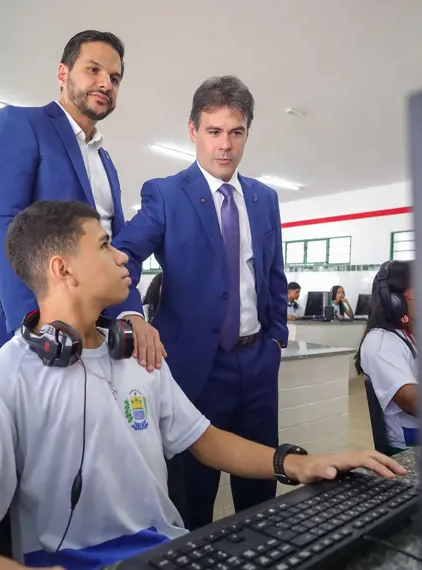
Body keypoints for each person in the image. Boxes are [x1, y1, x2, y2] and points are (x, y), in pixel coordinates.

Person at [0, 201, 406, 570]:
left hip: (169, 551)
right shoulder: (2, 380)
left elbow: (205, 440)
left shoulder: (137, 354)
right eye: (104, 246)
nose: (124, 258)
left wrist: (298, 463)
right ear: (62, 269)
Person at [109, 76, 288, 530]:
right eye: (213, 131)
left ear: (247, 132)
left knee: (260, 492)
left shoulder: (265, 199)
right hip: (193, 369)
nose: (224, 145)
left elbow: (272, 275)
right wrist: (132, 314)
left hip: (257, 365)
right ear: (193, 130)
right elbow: (121, 255)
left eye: (236, 132)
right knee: (193, 498)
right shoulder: (166, 194)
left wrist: (276, 340)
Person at [0, 29, 163, 369]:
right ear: (63, 73)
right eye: (93, 70)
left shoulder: (105, 162)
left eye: (115, 78)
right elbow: (1, 226)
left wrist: (131, 310)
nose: (106, 83)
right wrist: (35, 322)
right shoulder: (20, 124)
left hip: (103, 338)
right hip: (44, 338)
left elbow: (115, 249)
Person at [355, 261, 418, 455]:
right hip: (410, 447)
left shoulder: (415, 334)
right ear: (395, 299)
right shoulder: (381, 342)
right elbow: (413, 402)